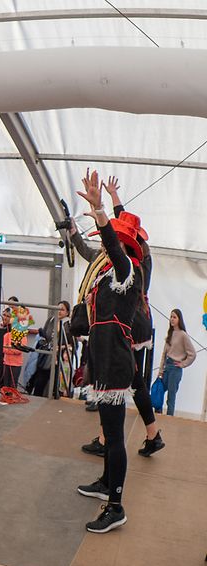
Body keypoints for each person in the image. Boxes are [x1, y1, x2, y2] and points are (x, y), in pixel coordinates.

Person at [73, 170, 142, 534]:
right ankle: (105, 482)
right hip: (103, 358)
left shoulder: (127, 269)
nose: (103, 247)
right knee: (107, 431)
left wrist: (102, 211)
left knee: (114, 437)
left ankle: (116, 505)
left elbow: (114, 248)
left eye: (109, 241)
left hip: (115, 361)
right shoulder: (109, 275)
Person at [157, 308, 195, 415]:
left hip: (175, 368)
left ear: (179, 319)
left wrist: (183, 364)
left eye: (174, 317)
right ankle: (158, 415)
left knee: (171, 396)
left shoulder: (183, 335)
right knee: (159, 391)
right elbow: (164, 354)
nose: (172, 319)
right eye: (171, 317)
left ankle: (169, 418)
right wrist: (160, 370)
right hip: (167, 366)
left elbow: (192, 354)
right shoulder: (170, 333)